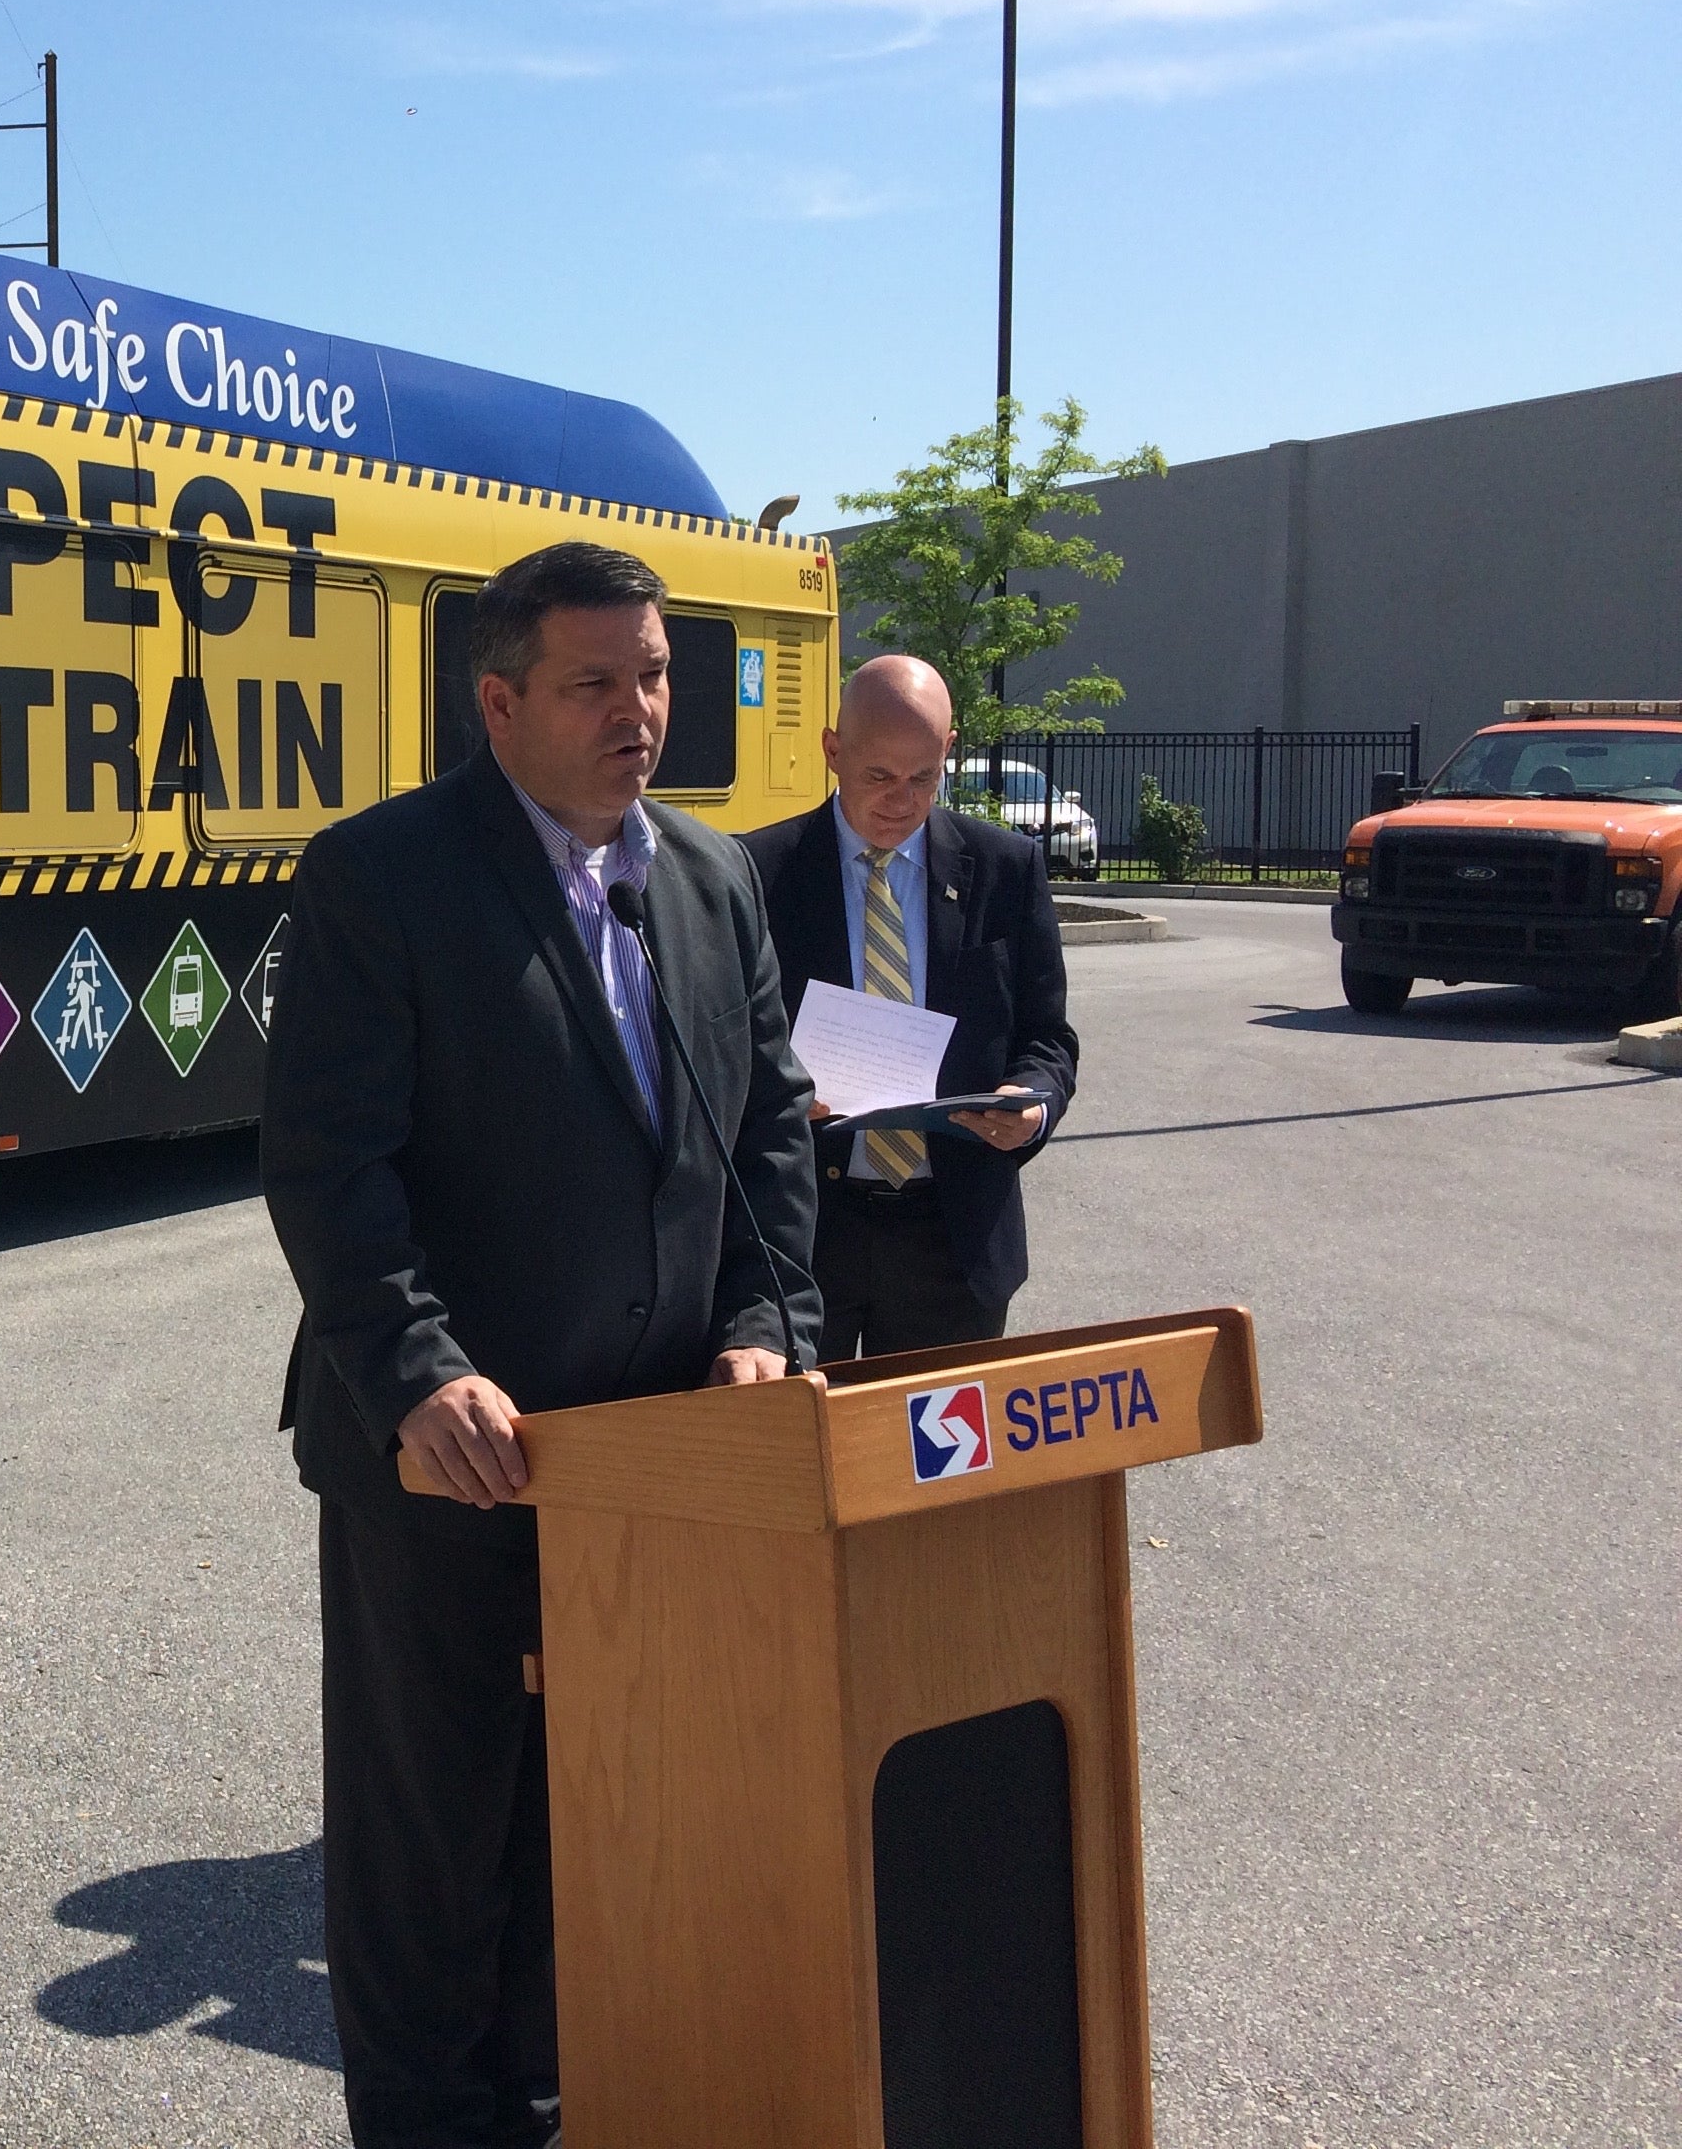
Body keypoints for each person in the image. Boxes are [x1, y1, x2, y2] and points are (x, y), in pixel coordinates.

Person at [260, 540, 821, 2149]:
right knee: (435, 1856)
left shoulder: (709, 881)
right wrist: (420, 1368)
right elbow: (327, 1162)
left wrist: (769, 1323)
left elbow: (769, 1127)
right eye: (596, 683)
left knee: (607, 1832)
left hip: (660, 1472)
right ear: (498, 701)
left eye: (653, 676)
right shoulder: (384, 877)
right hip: (458, 1473)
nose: (638, 711)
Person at [740, 654, 1078, 1358]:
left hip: (954, 1243)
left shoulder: (1005, 871)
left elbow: (1047, 1036)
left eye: (923, 777)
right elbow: (719, 1044)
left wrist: (1033, 1102)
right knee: (810, 1458)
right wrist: (771, 1093)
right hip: (803, 1234)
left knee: (942, 1463)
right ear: (833, 751)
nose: (900, 800)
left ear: (949, 752)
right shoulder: (757, 873)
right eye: (878, 777)